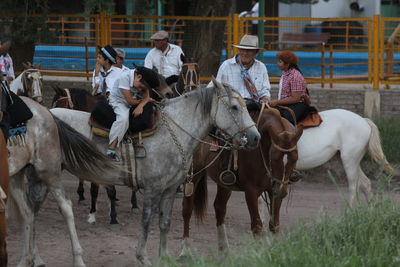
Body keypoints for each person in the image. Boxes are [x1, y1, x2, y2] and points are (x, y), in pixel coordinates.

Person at [107, 66, 158, 160]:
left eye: (142, 89)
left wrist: (141, 105)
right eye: (140, 87)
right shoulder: (124, 77)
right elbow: (130, 101)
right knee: (123, 119)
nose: (139, 90)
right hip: (119, 101)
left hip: (134, 101)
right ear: (138, 77)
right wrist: (144, 102)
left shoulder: (142, 81)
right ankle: (111, 149)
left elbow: (147, 97)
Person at [214, 34, 271, 104]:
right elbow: (218, 88)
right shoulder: (226, 65)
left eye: (249, 50)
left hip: (255, 105)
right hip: (232, 106)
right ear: (238, 50)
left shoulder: (261, 67)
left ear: (255, 52)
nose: (245, 53)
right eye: (242, 50)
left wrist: (265, 98)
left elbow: (265, 90)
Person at [269, 50, 310, 125]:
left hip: (297, 105)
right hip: (287, 105)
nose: (278, 64)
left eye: (280, 62)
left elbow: (296, 98)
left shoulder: (295, 76)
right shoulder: (285, 73)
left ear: (287, 64)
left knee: (284, 122)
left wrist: (277, 102)